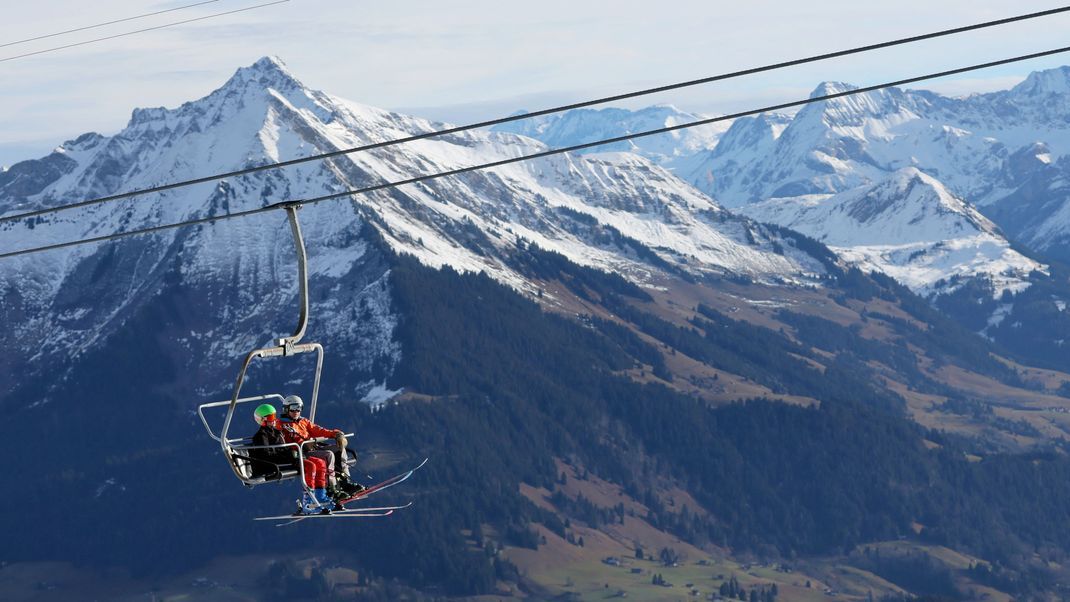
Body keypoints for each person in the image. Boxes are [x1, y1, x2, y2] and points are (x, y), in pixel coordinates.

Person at [278, 395, 366, 502]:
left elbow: (319, 430)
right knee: (328, 455)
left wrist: (336, 433)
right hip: (303, 453)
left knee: (339, 448)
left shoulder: (303, 421)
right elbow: (277, 437)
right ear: (286, 409)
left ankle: (345, 482)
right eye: (293, 408)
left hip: (314, 448)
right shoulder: (281, 424)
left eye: (299, 408)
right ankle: (331, 488)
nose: (296, 411)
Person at [249, 403, 332, 515]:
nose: (273, 420)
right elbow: (266, 454)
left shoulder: (276, 432)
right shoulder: (261, 436)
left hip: (288, 458)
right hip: (277, 463)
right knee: (310, 466)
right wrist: (289, 454)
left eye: (274, 416)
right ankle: (307, 502)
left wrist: (292, 451)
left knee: (320, 463)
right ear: (262, 420)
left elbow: (284, 446)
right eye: (270, 418)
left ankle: (320, 497)